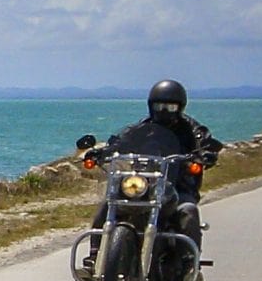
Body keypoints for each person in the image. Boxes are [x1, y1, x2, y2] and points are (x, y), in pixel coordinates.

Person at [87, 79, 221, 262]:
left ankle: (188, 262)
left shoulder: (191, 129)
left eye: (170, 107)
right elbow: (122, 141)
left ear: (180, 107)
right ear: (151, 106)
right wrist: (102, 152)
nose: (164, 111)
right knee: (109, 202)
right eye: (160, 106)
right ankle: (94, 255)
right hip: (145, 182)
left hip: (178, 185)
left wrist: (205, 154)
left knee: (188, 211)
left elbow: (205, 142)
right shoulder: (143, 127)